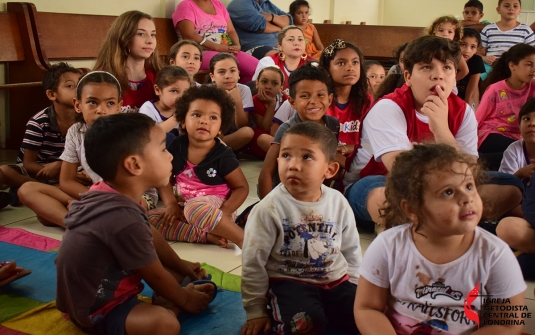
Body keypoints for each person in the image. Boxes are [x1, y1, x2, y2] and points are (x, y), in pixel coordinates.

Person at [343, 36, 522, 235]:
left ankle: (423, 222)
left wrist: (441, 130)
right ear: (408, 77)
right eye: (427, 67)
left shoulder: (463, 112)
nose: (438, 76)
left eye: (447, 68)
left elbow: (468, 171)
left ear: (455, 77)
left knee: (512, 186)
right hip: (383, 181)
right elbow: (401, 170)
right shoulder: (389, 107)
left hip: (445, 188)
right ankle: (453, 220)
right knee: (381, 196)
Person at [56, 113, 215, 335]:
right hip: (97, 310)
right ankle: (169, 306)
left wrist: (181, 265)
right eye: (162, 149)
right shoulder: (123, 219)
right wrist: (185, 299)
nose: (169, 157)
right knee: (166, 325)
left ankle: (169, 296)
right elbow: (155, 275)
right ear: (134, 165)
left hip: (91, 290)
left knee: (183, 273)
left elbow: (149, 234)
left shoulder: (108, 190)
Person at [354, 143, 526, 335]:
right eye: (448, 192)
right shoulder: (388, 246)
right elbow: (367, 308)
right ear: (412, 209)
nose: (467, 198)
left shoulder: (496, 255)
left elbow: (507, 324)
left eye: (469, 186)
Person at [241, 122, 361, 335]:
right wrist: (255, 310)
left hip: (336, 282)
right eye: (286, 155)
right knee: (304, 323)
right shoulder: (269, 209)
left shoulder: (338, 202)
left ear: (330, 169)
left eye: (306, 157)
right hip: (289, 283)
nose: (293, 165)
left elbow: (351, 250)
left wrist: (354, 288)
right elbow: (253, 262)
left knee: (366, 315)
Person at [19, 72, 155, 227]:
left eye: (110, 103)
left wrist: (92, 201)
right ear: (78, 105)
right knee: (27, 189)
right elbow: (66, 180)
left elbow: (140, 181)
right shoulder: (76, 132)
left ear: (119, 106)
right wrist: (91, 198)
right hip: (96, 192)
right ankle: (75, 223)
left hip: (133, 196)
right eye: (92, 102)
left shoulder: (129, 132)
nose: (101, 110)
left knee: (124, 212)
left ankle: (83, 217)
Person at [147, 85, 248, 249]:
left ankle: (241, 238)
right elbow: (163, 178)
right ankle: (205, 235)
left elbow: (241, 187)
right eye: (196, 115)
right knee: (146, 220)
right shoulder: (176, 146)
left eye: (213, 118)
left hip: (216, 208)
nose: (204, 121)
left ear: (221, 128)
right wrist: (171, 204)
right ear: (183, 121)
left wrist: (227, 211)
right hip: (184, 207)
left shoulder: (223, 154)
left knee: (194, 208)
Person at [0, 62, 81, 209]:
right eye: (70, 86)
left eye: (80, 85)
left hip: (66, 170)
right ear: (51, 94)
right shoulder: (39, 122)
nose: (78, 90)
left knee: (88, 177)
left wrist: (61, 167)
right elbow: (28, 163)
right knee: (4, 171)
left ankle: (35, 192)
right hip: (36, 171)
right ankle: (46, 189)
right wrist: (51, 172)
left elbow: (85, 155)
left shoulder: (84, 120)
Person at [258, 62, 339, 199]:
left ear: (330, 99)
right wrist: (268, 206)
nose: (313, 101)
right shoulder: (288, 129)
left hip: (312, 193)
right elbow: (267, 171)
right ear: (292, 102)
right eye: (305, 96)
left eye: (320, 95)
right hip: (282, 193)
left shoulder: (333, 124)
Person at [476, 43, 535, 171]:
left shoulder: (533, 86)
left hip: (519, 136)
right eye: (529, 64)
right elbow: (477, 119)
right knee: (520, 153)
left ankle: (478, 162)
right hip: (492, 134)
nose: (533, 69)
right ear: (512, 66)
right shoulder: (495, 89)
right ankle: (474, 161)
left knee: (521, 153)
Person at [172, 0, 259, 83]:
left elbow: (231, 30)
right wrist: (217, 47)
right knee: (226, 64)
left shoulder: (218, 5)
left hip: (225, 50)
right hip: (199, 53)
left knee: (258, 68)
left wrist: (237, 45)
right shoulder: (186, 6)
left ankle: (241, 94)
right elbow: (189, 36)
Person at [94, 11, 162, 112]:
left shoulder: (159, 75)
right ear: (124, 37)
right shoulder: (103, 77)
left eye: (153, 34)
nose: (150, 41)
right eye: (141, 34)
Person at [319, 39, 372, 170]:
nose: (350, 68)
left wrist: (347, 148)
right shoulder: (320, 99)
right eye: (341, 63)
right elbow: (315, 143)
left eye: (355, 62)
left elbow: (372, 142)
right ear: (327, 69)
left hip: (357, 159)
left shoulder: (366, 100)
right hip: (325, 160)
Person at [209, 53, 255, 151]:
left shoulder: (244, 90)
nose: (228, 76)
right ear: (212, 76)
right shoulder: (206, 92)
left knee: (247, 132)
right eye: (221, 72)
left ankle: (218, 152)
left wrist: (237, 100)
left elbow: (242, 126)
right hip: (211, 135)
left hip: (231, 139)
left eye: (232, 71)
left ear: (238, 74)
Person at [479, 0, 535, 81]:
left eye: (515, 6)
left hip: (515, 67)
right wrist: (484, 58)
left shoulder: (525, 30)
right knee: (480, 76)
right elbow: (479, 51)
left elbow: (531, 52)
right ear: (498, 10)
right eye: (507, 6)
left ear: (520, 10)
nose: (511, 9)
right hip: (492, 66)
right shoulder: (488, 29)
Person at [253, 26, 314, 95]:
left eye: (300, 39)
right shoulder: (267, 63)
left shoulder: (313, 65)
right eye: (291, 39)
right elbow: (258, 90)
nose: (296, 43)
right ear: (279, 46)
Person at [139, 65, 191, 144]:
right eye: (174, 91)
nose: (181, 97)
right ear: (158, 90)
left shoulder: (185, 108)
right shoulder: (148, 108)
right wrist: (177, 117)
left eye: (185, 92)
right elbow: (151, 135)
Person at [227, 0, 292, 59]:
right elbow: (261, 25)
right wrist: (281, 27)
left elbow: (289, 21)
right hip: (255, 48)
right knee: (280, 58)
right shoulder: (239, 3)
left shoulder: (266, 2)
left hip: (279, 47)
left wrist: (271, 17)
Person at [249, 66, 287, 156]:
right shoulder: (254, 101)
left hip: (281, 136)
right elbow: (265, 128)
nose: (268, 86)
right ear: (257, 84)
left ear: (281, 88)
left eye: (274, 83)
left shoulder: (285, 100)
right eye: (264, 82)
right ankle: (286, 156)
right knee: (263, 138)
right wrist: (271, 104)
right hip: (261, 139)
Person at [499, 97, 535, 180]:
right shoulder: (513, 151)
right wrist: (520, 174)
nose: (532, 123)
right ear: (519, 126)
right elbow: (503, 185)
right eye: (526, 119)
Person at [427, 15, 469, 81]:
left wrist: (450, 81)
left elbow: (464, 70)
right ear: (433, 33)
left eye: (450, 32)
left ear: (455, 36)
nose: (445, 34)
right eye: (441, 30)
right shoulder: (427, 47)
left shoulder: (454, 50)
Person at [457, 27, 485, 109]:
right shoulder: (449, 59)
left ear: (477, 49)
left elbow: (471, 91)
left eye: (473, 47)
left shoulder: (476, 60)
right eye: (463, 45)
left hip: (467, 100)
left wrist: (467, 111)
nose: (467, 50)